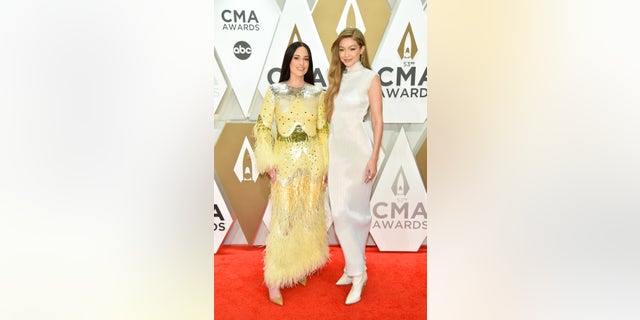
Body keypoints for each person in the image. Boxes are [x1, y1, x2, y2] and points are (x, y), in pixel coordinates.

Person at [253, 41, 329, 306]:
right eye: (297, 57)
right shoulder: (274, 91)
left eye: (306, 59)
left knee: (308, 217)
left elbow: (322, 130)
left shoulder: (317, 93)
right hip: (284, 163)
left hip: (312, 164)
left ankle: (299, 266)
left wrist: (324, 163)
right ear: (288, 60)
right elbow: (263, 127)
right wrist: (268, 159)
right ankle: (274, 279)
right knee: (283, 219)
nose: (301, 63)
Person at [325, 27, 383, 305]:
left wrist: (374, 157)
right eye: (342, 49)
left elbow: (377, 121)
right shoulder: (336, 79)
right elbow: (331, 125)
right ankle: (353, 268)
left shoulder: (370, 78)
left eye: (352, 48)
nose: (346, 54)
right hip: (336, 156)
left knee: (355, 215)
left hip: (360, 155)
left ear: (362, 49)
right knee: (340, 213)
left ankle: (357, 275)